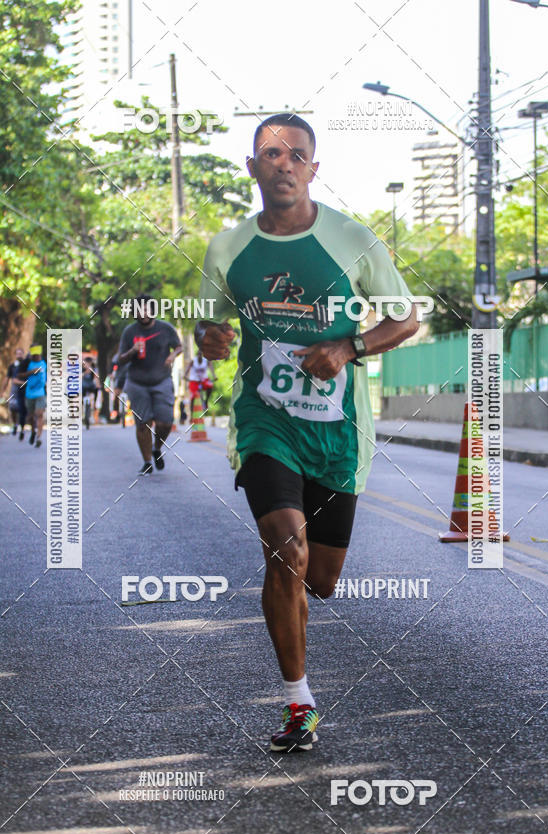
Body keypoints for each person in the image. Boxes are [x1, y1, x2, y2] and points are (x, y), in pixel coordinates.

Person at [197, 114, 419, 752]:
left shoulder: (352, 239)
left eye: (297, 154)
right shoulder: (227, 249)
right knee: (283, 551)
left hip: (338, 431)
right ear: (253, 167)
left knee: (319, 578)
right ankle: (299, 703)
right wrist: (210, 340)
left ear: (313, 169)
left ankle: (300, 663)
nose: (284, 163)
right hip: (266, 419)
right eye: (271, 153)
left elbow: (405, 318)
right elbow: (213, 332)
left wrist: (349, 346)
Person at [118, 296, 182, 474]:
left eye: (147, 309)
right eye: (139, 310)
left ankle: (157, 449)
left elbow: (179, 346)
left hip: (162, 381)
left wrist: (172, 355)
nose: (143, 313)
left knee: (165, 423)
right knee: (142, 424)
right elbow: (121, 359)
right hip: (137, 383)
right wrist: (132, 350)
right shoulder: (129, 332)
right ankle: (147, 462)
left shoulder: (165, 328)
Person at [23, 344, 47, 447]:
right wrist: (31, 372)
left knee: (39, 414)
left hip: (41, 393)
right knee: (30, 417)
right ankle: (33, 431)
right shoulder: (27, 363)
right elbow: (20, 374)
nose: (38, 356)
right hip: (29, 393)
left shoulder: (44, 361)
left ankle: (39, 437)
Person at [4, 348, 29, 439]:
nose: (19, 355)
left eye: (21, 353)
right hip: (15, 391)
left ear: (23, 354)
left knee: (23, 411)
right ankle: (15, 424)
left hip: (25, 391)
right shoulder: (12, 366)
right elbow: (10, 379)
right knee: (13, 408)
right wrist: (2, 391)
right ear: (15, 355)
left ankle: (22, 428)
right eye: (17, 353)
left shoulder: (27, 365)